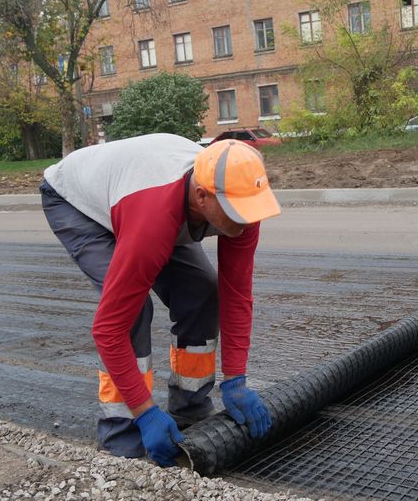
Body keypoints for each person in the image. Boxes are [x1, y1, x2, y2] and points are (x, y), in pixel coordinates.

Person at [40, 134, 280, 467]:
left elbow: (237, 294)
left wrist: (236, 379)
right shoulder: (154, 218)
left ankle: (190, 410)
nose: (246, 221)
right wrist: (145, 411)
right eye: (237, 213)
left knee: (202, 291)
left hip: (137, 197)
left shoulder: (239, 203)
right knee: (132, 309)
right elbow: (108, 330)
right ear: (202, 196)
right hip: (77, 202)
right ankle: (121, 434)